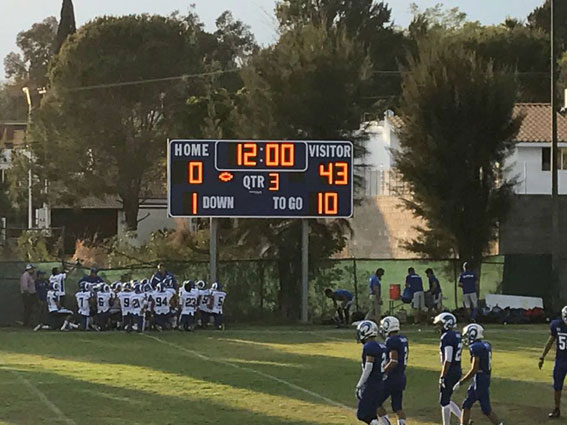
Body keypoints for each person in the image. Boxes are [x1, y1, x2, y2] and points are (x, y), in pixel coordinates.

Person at [453, 324, 504, 425]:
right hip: (482, 377)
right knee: (466, 404)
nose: (466, 337)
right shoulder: (485, 345)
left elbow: (474, 369)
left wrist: (461, 382)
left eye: (467, 335)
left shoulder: (476, 348)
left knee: (486, 409)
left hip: (480, 379)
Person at [354, 320, 388, 425]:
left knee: (362, 415)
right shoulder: (381, 346)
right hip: (379, 382)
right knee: (372, 414)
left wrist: (359, 384)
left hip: (372, 383)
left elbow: (368, 367)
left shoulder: (370, 346)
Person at [377, 316, 408, 425]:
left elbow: (393, 360)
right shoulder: (402, 339)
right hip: (401, 377)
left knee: (375, 402)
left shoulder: (391, 340)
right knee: (397, 407)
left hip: (391, 377)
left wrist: (382, 372)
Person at [434, 312, 463, 425]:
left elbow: (448, 359)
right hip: (457, 369)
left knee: (444, 401)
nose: (438, 327)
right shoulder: (456, 335)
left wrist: (443, 375)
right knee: (447, 398)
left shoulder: (447, 337)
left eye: (440, 324)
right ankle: (463, 419)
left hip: (450, 370)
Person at [538, 305, 567, 418]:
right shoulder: (557, 325)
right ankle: (557, 408)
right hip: (561, 360)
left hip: (561, 360)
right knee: (557, 386)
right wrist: (542, 356)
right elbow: (550, 341)